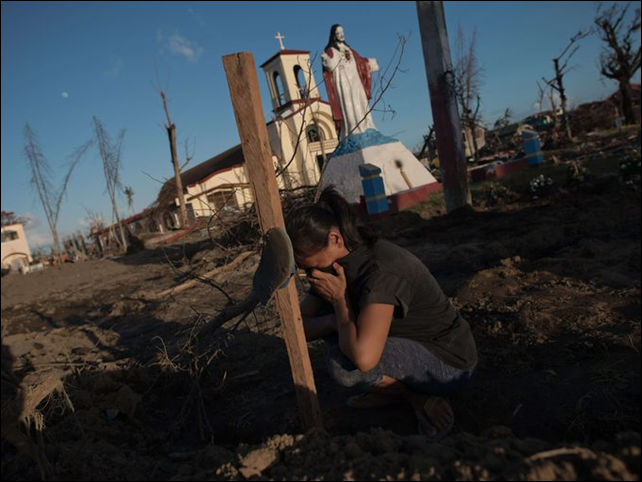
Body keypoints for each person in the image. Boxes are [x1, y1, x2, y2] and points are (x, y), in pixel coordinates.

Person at [286, 186, 478, 439]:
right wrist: (335, 319)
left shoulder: (380, 270)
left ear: (335, 239)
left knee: (344, 365)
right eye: (304, 270)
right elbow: (297, 328)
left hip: (449, 363)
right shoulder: (334, 266)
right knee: (343, 336)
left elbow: (364, 359)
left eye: (312, 266)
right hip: (406, 347)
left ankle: (416, 396)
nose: (312, 275)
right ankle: (404, 392)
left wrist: (341, 303)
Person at [322, 24, 379, 139]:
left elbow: (360, 61)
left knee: (360, 100)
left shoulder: (349, 49)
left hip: (355, 79)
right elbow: (331, 66)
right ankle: (354, 127)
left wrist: (370, 62)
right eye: (338, 33)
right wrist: (326, 59)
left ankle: (367, 124)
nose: (341, 34)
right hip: (343, 81)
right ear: (334, 35)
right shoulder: (331, 50)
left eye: (342, 32)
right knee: (349, 102)